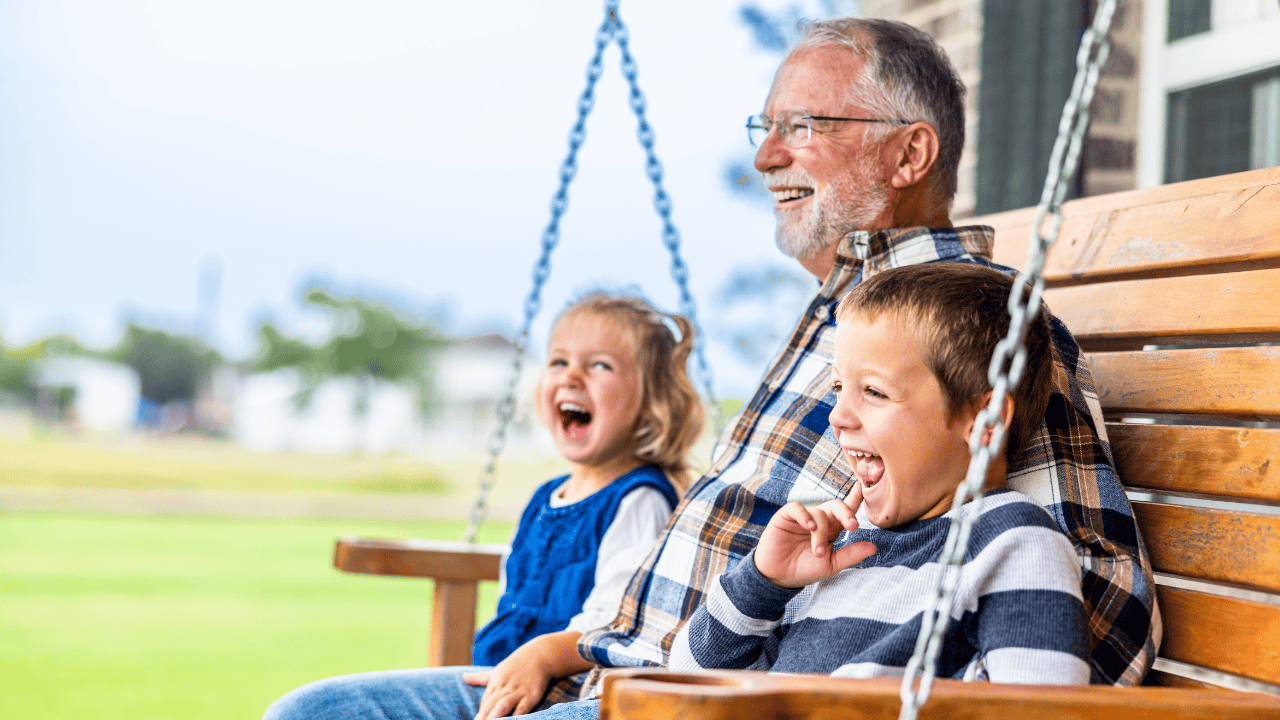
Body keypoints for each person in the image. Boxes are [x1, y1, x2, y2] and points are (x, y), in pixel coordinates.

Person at [264, 16, 1158, 720]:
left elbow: (1096, 612)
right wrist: (578, 645)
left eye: (802, 126)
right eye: (764, 128)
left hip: (704, 701)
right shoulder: (850, 319)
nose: (766, 155)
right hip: (632, 670)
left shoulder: (968, 324)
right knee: (311, 710)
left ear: (909, 153)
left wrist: (836, 687)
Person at [670, 263, 1089, 683]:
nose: (837, 416)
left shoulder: (1014, 544)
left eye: (874, 391)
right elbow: (686, 681)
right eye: (838, 388)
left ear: (986, 422)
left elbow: (1042, 704)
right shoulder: (842, 548)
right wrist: (763, 583)